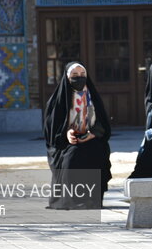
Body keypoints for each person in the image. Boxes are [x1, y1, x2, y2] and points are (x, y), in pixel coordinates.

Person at [44, 62, 112, 209]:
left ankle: (93, 200)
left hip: (91, 137)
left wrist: (93, 134)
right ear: (67, 78)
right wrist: (67, 133)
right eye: (74, 76)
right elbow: (52, 128)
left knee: (96, 153)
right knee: (73, 157)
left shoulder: (92, 96)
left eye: (82, 75)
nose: (79, 78)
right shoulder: (59, 99)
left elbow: (103, 123)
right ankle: (72, 201)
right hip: (66, 142)